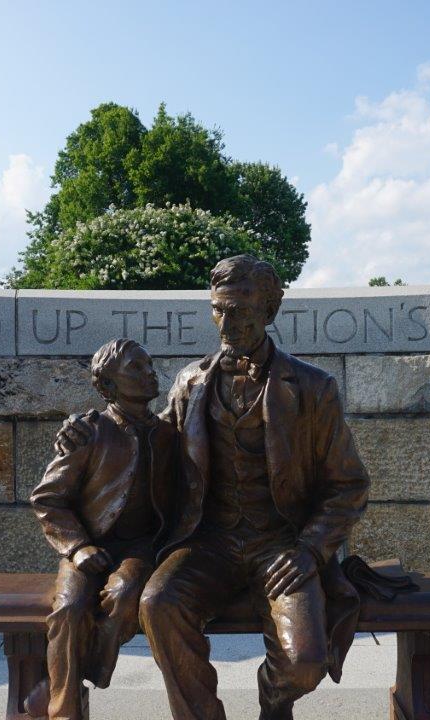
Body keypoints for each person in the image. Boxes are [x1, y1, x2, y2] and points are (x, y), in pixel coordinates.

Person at [57, 255, 370, 720]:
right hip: (207, 544)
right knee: (158, 604)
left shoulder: (311, 388)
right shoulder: (190, 381)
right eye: (220, 309)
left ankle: (274, 700)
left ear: (270, 308)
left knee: (305, 663)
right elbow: (148, 437)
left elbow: (348, 485)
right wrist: (87, 430)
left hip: (282, 546)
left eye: (242, 309)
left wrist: (310, 548)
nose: (229, 321)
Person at [30, 338, 174, 720]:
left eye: (149, 365)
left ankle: (83, 676)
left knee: (125, 594)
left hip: (141, 548)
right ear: (107, 385)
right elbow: (48, 499)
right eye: (136, 369)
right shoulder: (89, 432)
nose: (149, 373)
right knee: (69, 609)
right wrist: (77, 547)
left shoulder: (169, 434)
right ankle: (65, 711)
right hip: (87, 546)